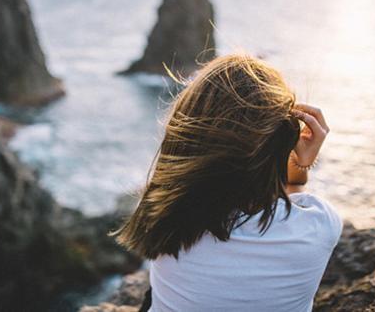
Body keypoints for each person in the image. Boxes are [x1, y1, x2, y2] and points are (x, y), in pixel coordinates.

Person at [114, 54, 343, 312]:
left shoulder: (162, 216)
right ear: (282, 142)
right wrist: (301, 165)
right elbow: (292, 197)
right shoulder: (320, 225)